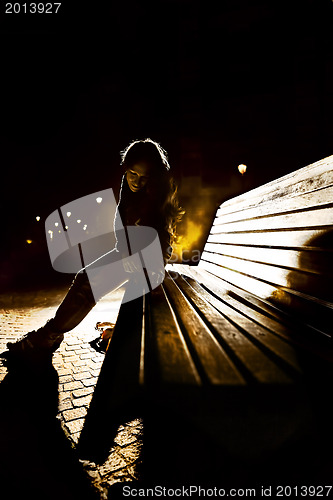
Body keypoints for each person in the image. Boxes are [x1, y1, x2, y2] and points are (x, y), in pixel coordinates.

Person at [5, 138, 184, 361]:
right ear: (126, 169)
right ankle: (50, 334)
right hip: (130, 250)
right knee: (85, 276)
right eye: (132, 173)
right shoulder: (127, 186)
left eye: (144, 177)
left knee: (90, 286)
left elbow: (159, 238)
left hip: (151, 257)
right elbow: (120, 222)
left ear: (154, 176)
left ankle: (46, 337)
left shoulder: (158, 194)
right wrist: (126, 249)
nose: (136, 181)